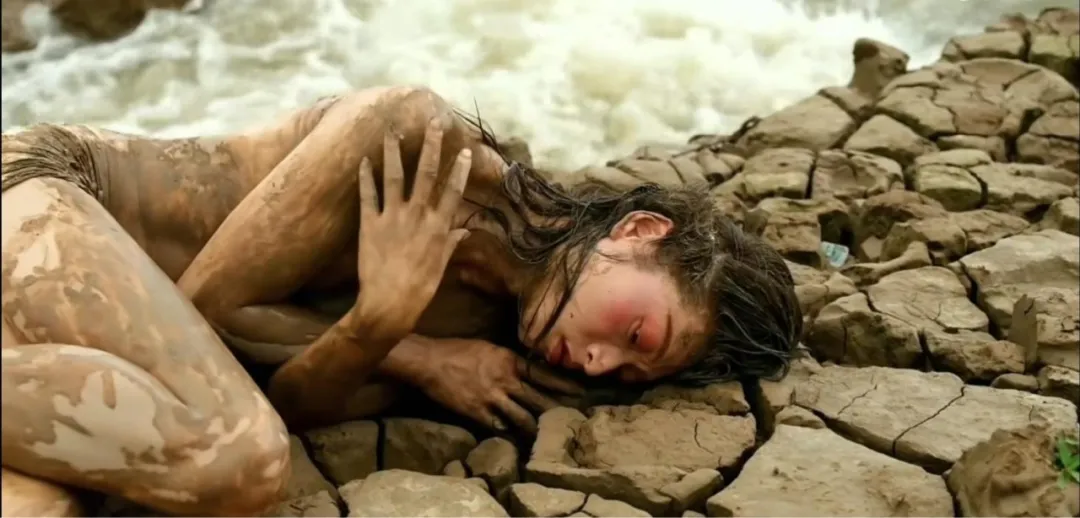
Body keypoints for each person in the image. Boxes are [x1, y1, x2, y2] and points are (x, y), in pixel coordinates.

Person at [0, 85, 801, 516]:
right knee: (239, 457)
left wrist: (391, 339)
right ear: (640, 232)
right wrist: (399, 337)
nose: (598, 361)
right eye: (637, 332)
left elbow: (289, 401)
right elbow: (201, 306)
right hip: (45, 199)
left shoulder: (484, 347)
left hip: (63, 336)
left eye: (625, 372)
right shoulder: (416, 143)